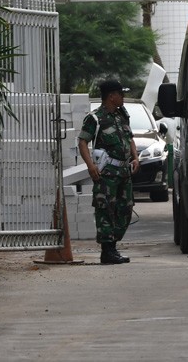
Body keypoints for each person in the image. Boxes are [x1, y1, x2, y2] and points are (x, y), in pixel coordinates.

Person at [77, 79, 139, 264]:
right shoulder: (95, 118)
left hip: (124, 172)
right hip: (107, 173)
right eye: (121, 94)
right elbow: (82, 142)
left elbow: (130, 138)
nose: (123, 98)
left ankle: (113, 243)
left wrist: (135, 157)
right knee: (105, 210)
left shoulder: (122, 116)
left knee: (125, 209)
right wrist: (91, 166)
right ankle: (108, 250)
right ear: (112, 96)